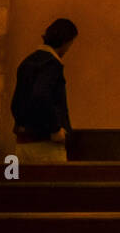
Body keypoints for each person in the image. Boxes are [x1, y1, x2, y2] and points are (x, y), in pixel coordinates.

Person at [10, 19, 77, 164]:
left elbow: (16, 102)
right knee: (51, 185)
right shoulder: (52, 64)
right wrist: (55, 128)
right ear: (66, 41)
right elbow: (41, 95)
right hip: (47, 143)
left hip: (23, 142)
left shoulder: (26, 62)